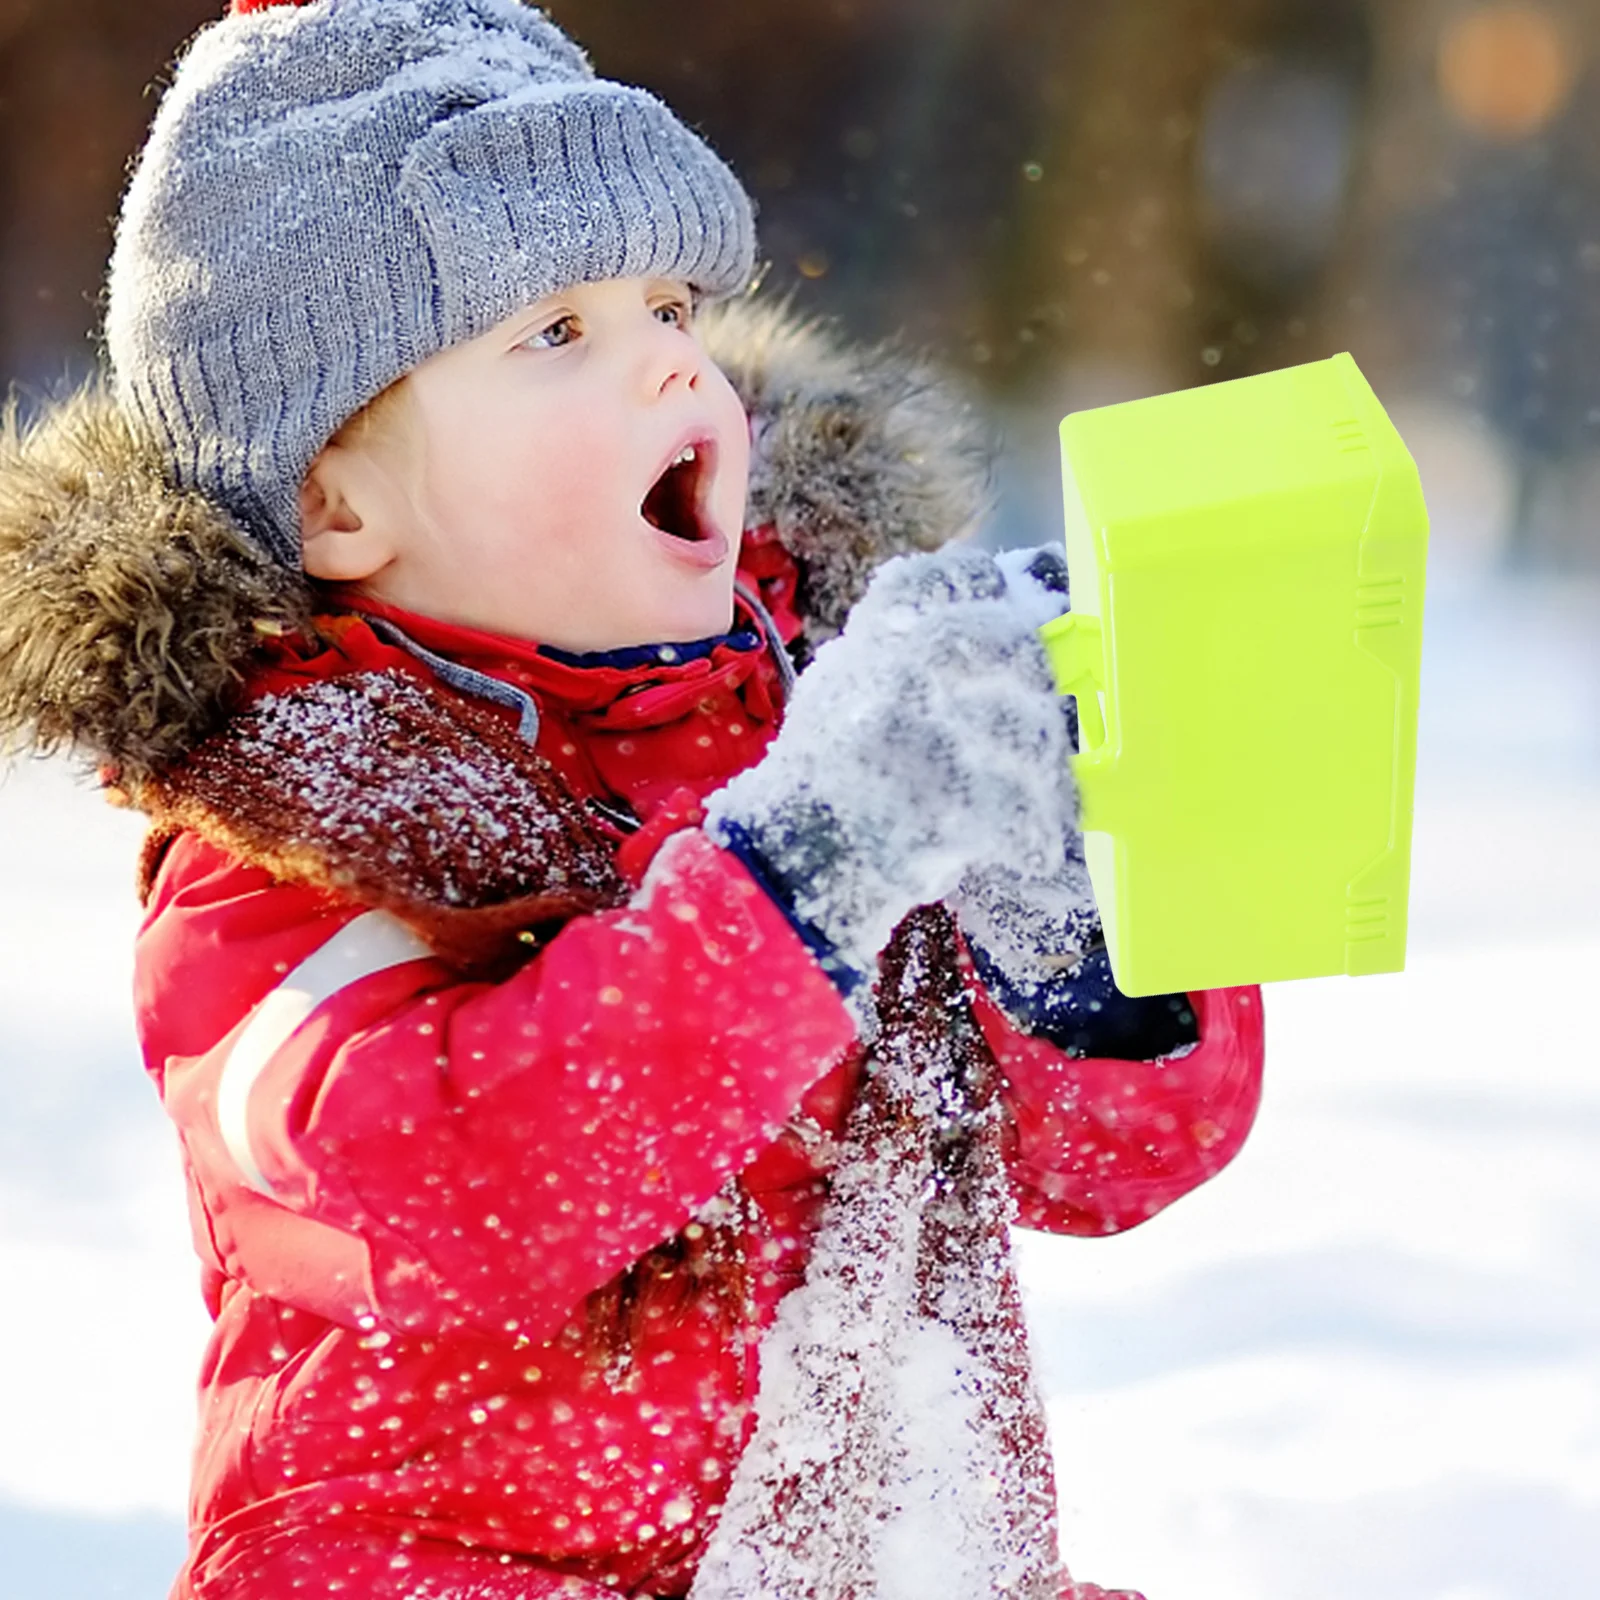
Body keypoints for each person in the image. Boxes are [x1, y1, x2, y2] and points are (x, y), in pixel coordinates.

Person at [0, 2, 1264, 1596]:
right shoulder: (277, 849)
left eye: (669, 300)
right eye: (554, 332)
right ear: (334, 498)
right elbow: (476, 1182)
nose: (674, 354)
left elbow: (1117, 1160)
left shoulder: (824, 716)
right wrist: (813, 869)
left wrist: (1056, 904)